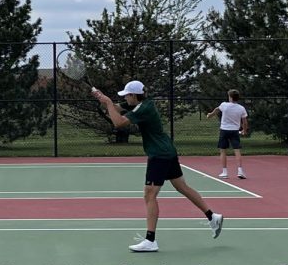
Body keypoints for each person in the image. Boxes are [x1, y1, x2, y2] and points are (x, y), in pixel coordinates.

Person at [92, 81, 224, 252]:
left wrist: (108, 103)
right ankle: (212, 217)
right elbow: (118, 108)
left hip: (159, 154)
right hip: (166, 151)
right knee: (182, 187)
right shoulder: (143, 104)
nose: (125, 97)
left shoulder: (143, 109)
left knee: (149, 194)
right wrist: (105, 100)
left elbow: (118, 123)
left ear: (134, 95)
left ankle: (150, 240)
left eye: (127, 95)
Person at [207, 89, 249, 179]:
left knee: (223, 151)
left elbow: (216, 110)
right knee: (237, 150)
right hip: (234, 131)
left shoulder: (224, 105)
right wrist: (244, 130)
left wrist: (210, 115)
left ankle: (224, 172)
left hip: (224, 130)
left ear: (230, 97)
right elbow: (245, 122)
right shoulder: (241, 108)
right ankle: (240, 171)